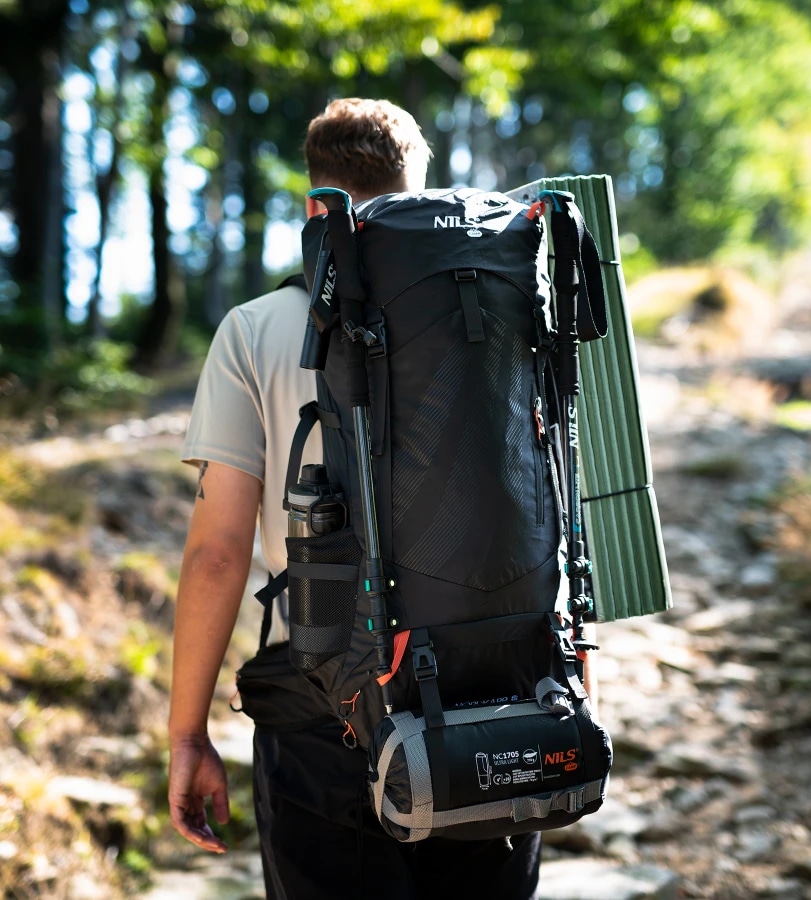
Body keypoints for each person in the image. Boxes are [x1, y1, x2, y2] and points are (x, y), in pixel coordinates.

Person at [167, 98, 542, 900]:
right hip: (502, 687)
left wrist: (187, 734)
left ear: (316, 203)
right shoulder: (513, 303)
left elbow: (218, 552)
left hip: (322, 707)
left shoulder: (257, 327)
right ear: (420, 189)